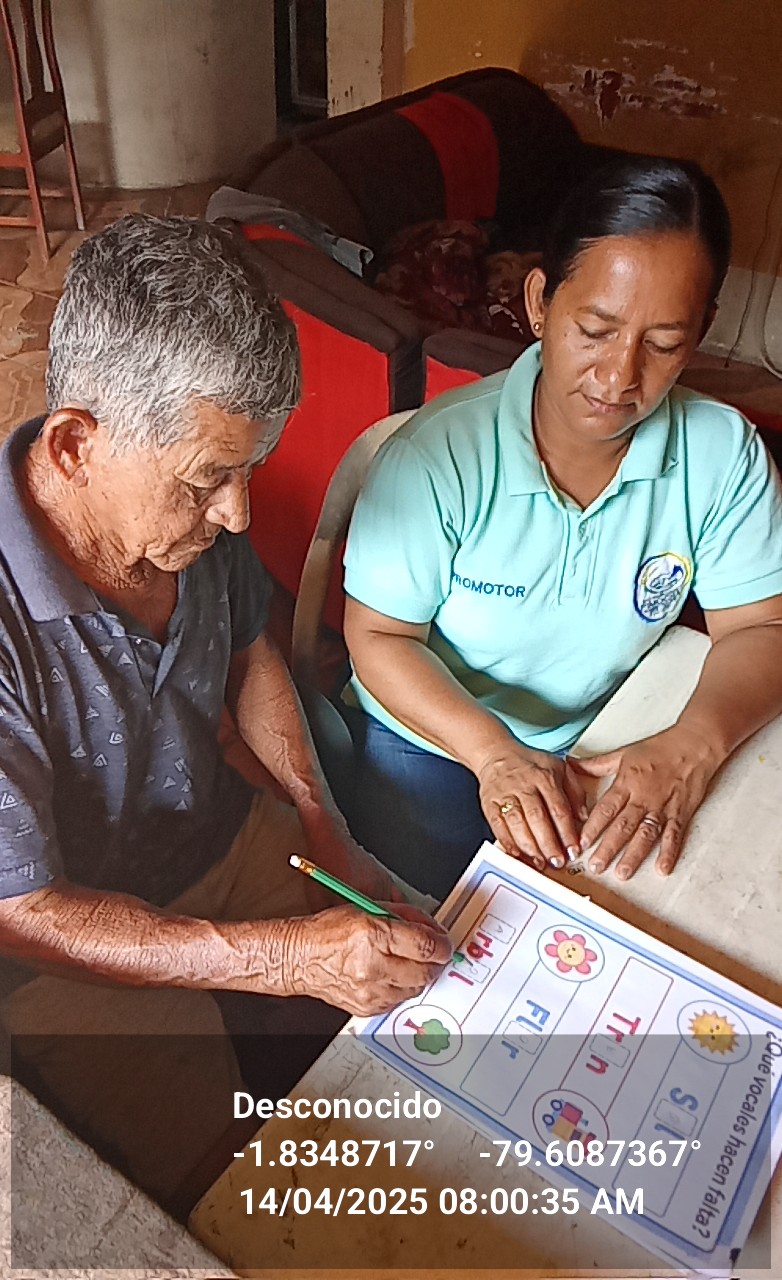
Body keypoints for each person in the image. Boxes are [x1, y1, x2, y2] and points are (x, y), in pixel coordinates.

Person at [0, 215, 450, 1206]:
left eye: (247, 469)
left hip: (221, 839)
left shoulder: (187, 525)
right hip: (67, 943)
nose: (239, 513)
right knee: (233, 1198)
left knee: (429, 993)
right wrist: (278, 960)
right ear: (75, 445)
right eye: (208, 478)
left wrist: (323, 823)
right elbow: (24, 915)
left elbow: (251, 655)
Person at [343, 157, 782, 901]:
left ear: (702, 332)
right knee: (442, 920)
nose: (619, 378)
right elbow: (380, 636)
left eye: (663, 343)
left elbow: (761, 628)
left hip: (611, 729)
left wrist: (692, 744)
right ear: (540, 303)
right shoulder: (439, 457)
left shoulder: (721, 454)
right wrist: (492, 754)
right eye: (596, 330)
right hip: (439, 737)